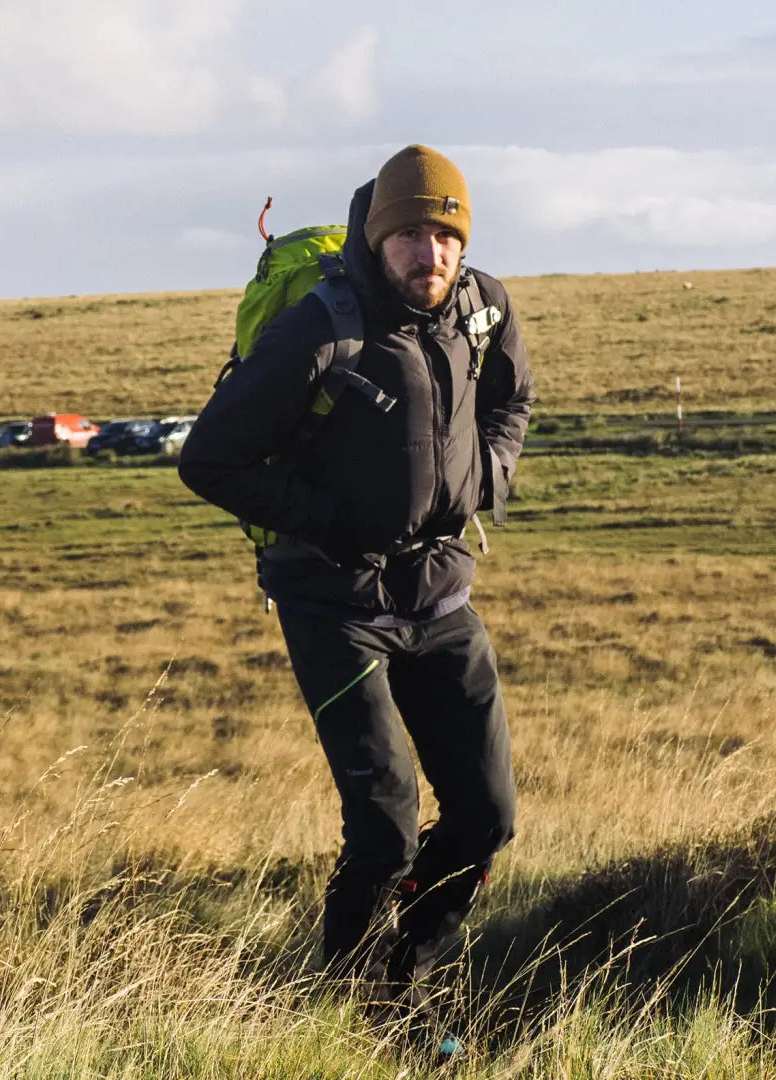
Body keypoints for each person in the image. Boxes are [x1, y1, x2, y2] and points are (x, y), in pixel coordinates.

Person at [178, 144, 535, 1053]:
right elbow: (209, 458)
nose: (432, 252)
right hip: (333, 602)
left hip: (440, 593)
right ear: (377, 238)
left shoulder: (483, 311)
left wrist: (483, 477)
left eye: (446, 233)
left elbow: (511, 403)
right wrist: (325, 523)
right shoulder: (321, 328)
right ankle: (343, 1013)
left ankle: (404, 981)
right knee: (383, 825)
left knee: (487, 813)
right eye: (411, 233)